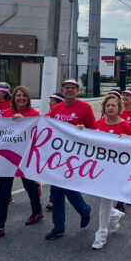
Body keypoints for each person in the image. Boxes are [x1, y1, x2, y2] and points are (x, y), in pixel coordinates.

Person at [0, 87, 44, 240]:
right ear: (13, 98)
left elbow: (39, 136)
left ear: (28, 99)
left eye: (24, 96)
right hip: (7, 159)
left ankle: (37, 211)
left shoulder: (34, 115)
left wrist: (24, 122)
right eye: (18, 96)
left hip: (25, 158)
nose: (21, 98)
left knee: (30, 187)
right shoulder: (6, 114)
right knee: (3, 191)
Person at [45, 79, 95, 240]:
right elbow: (46, 124)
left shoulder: (85, 107)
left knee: (67, 186)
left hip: (75, 156)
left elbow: (94, 130)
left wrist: (83, 130)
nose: (70, 90)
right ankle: (59, 225)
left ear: (77, 91)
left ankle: (84, 210)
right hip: (57, 156)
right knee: (57, 191)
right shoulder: (57, 108)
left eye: (73, 88)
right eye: (67, 88)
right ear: (62, 90)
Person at [91, 94, 131, 250]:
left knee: (104, 203)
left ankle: (101, 234)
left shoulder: (125, 126)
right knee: (100, 201)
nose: (110, 108)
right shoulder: (98, 124)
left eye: (113, 105)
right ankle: (115, 215)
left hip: (115, 171)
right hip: (99, 169)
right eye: (107, 105)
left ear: (119, 108)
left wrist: (126, 141)